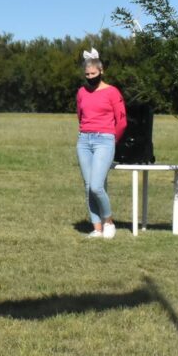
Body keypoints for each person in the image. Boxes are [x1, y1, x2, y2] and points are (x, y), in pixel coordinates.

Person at [75, 48, 127, 239]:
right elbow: (80, 116)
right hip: (84, 141)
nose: (90, 77)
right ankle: (97, 227)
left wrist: (112, 139)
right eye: (87, 74)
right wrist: (84, 134)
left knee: (97, 186)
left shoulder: (112, 92)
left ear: (101, 71)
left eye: (93, 74)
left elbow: (121, 121)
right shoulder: (81, 92)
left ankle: (109, 222)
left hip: (105, 140)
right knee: (89, 185)